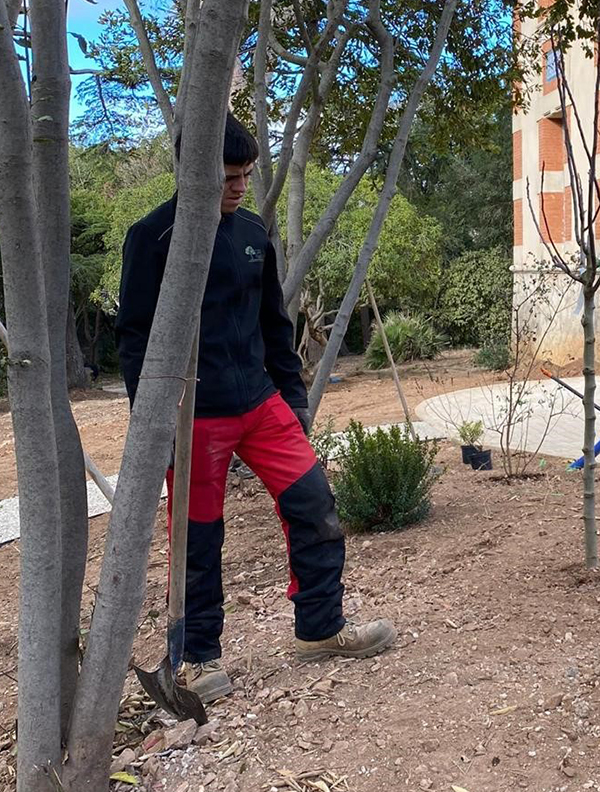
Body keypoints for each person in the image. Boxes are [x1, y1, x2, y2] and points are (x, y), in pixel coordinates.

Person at [115, 113, 396, 703]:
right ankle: (196, 658)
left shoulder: (251, 233)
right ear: (191, 172)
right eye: (227, 174)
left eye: (246, 173)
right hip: (193, 415)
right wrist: (154, 424)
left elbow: (275, 325)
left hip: (260, 401)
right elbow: (135, 337)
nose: (240, 184)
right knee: (197, 539)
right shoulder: (153, 238)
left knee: (315, 502)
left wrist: (292, 403)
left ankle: (320, 630)